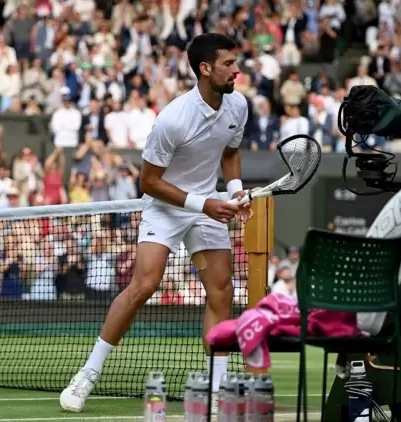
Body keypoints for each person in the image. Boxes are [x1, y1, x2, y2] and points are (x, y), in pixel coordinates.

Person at [60, 33, 250, 412]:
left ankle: (216, 387)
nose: (237, 70)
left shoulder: (238, 106)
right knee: (144, 284)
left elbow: (230, 153)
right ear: (205, 69)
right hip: (165, 204)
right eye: (229, 64)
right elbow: (148, 182)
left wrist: (235, 191)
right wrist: (204, 203)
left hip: (208, 206)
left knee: (222, 291)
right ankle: (88, 374)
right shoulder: (173, 119)